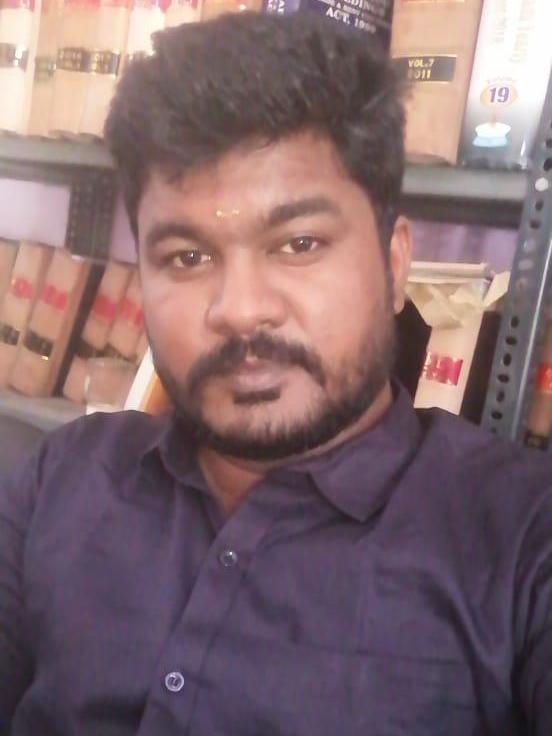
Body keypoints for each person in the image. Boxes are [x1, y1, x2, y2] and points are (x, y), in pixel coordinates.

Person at [0, 12, 550, 736]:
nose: (240, 310)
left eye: (298, 244)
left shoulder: (518, 535)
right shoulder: (63, 478)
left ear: (394, 266)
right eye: (188, 257)